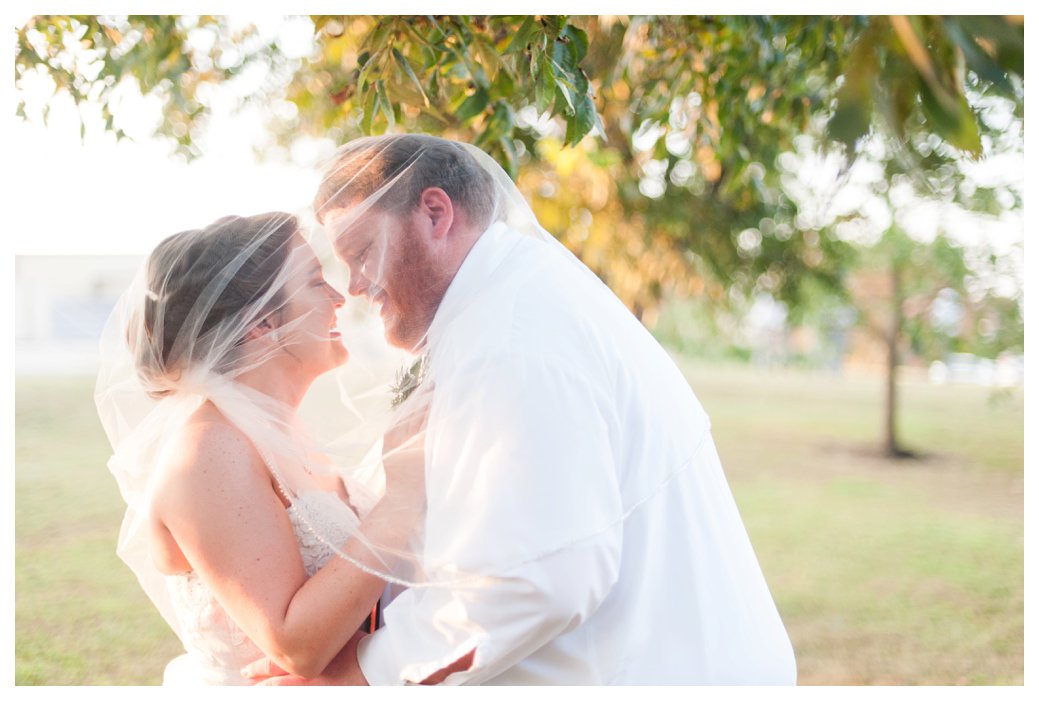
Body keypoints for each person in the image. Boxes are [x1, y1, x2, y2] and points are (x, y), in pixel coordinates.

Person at [246, 134, 797, 685]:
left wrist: (363, 675)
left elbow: (535, 580)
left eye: (363, 254)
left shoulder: (510, 341)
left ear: (436, 214)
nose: (358, 288)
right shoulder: (512, 301)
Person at [96, 212, 426, 685]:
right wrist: (402, 502)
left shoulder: (277, 431)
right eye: (315, 282)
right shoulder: (209, 452)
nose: (338, 297)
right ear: (261, 323)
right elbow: (295, 645)